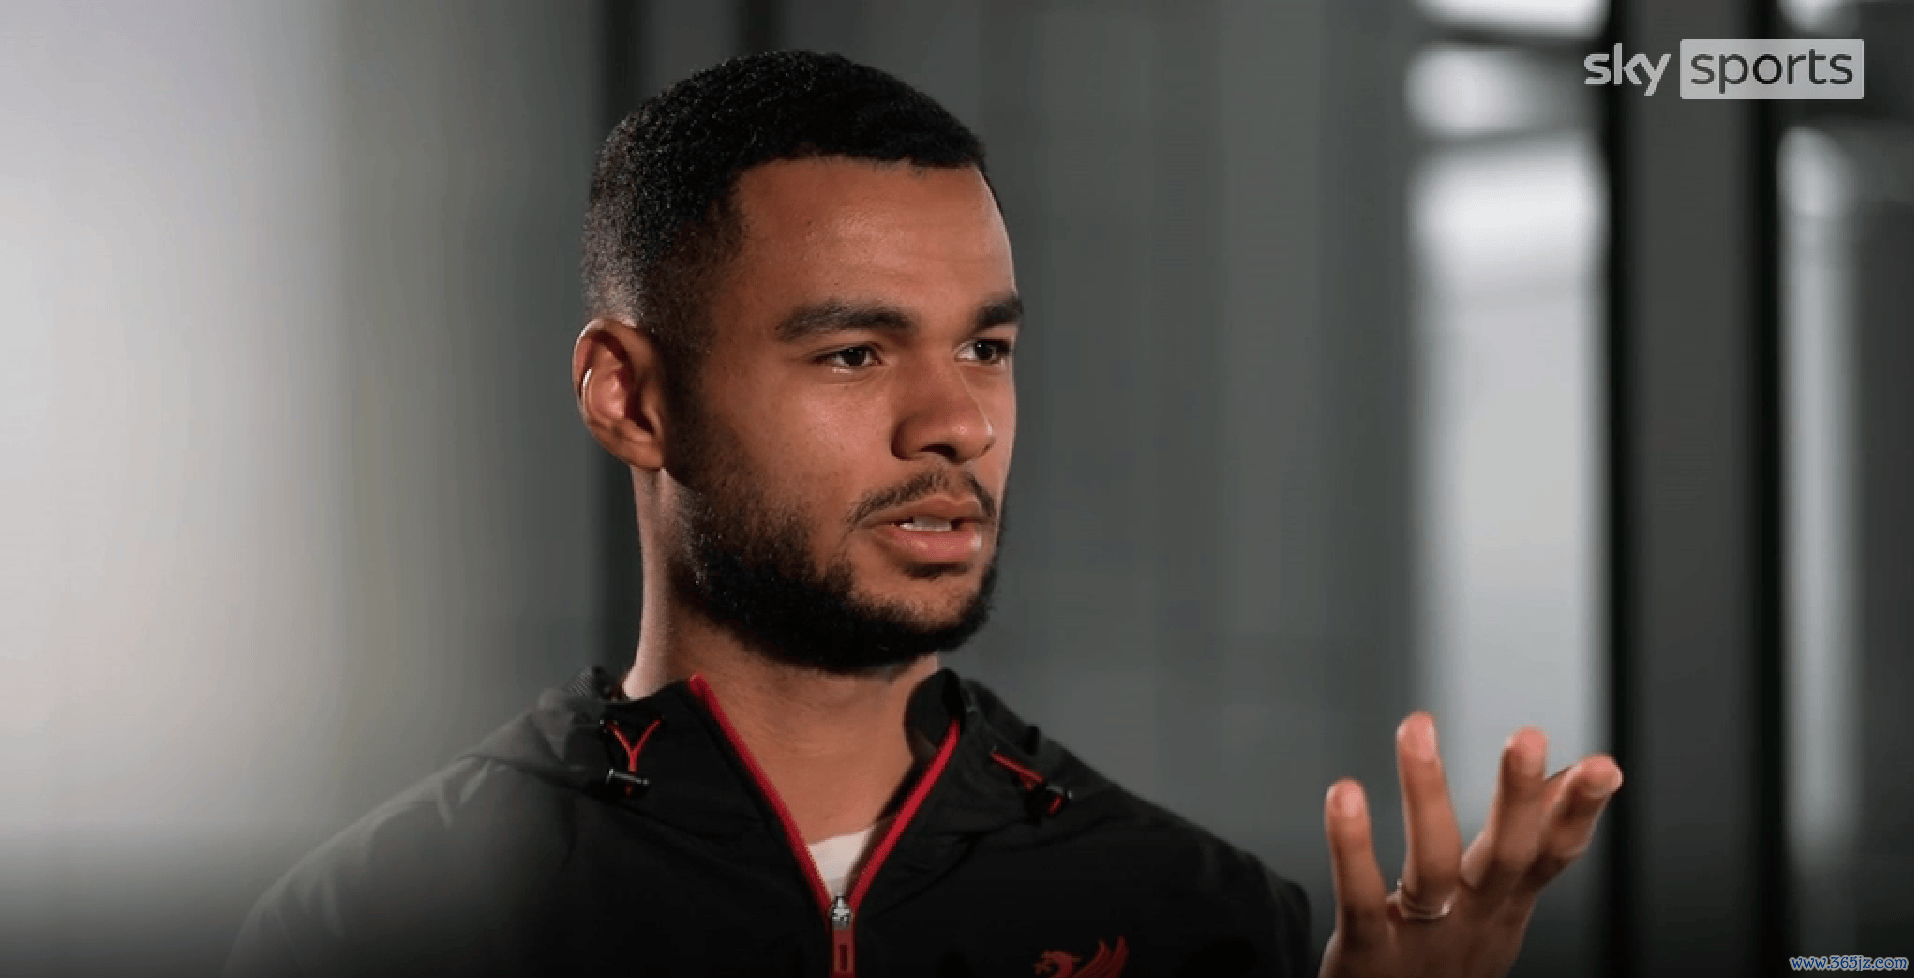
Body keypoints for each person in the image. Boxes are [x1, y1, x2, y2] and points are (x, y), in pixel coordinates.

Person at [225, 50, 1622, 978]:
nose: (958, 421)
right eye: (854, 353)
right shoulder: (380, 929)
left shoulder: (1197, 916)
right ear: (630, 398)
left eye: (986, 347)